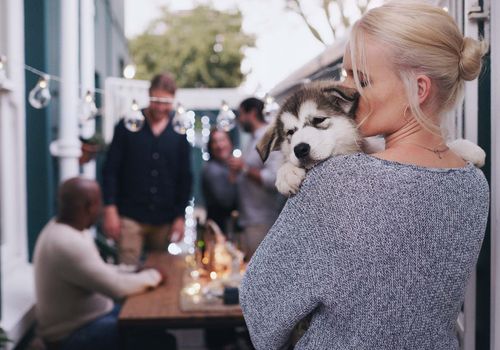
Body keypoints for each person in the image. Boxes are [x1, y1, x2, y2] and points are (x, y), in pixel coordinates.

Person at [239, 2, 490, 349]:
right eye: (344, 74)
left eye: (362, 79)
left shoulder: (339, 182)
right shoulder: (474, 183)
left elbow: (262, 307)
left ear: (419, 90)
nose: (346, 91)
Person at [33, 178, 176, 350]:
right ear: (89, 206)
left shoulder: (63, 229)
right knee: (160, 341)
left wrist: (133, 271)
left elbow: (99, 269)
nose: (101, 209)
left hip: (92, 317)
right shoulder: (66, 242)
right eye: (99, 202)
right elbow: (116, 288)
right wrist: (155, 276)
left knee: (152, 325)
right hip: (72, 335)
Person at [103, 73, 192, 265]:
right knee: (127, 271)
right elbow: (110, 169)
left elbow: (185, 177)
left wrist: (179, 217)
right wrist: (110, 209)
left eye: (166, 102)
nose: (160, 107)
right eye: (156, 100)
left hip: (164, 219)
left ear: (174, 100)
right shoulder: (128, 125)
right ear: (149, 95)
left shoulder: (179, 131)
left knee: (159, 271)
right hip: (130, 216)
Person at [228, 97, 284, 259]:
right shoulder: (253, 139)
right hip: (249, 219)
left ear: (251, 113)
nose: (239, 119)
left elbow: (274, 179)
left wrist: (243, 168)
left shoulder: (268, 138)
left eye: (241, 114)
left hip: (262, 221)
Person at [201, 129, 238, 233]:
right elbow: (226, 201)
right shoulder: (212, 170)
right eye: (215, 141)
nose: (219, 145)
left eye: (222, 140)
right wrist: (233, 177)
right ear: (210, 147)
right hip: (220, 230)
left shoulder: (230, 165)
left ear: (230, 143)